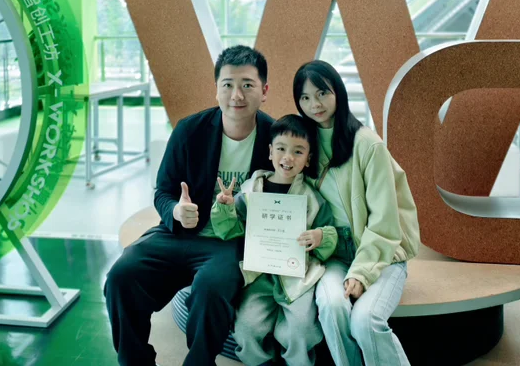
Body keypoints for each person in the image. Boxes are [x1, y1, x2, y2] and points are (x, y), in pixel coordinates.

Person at [104, 45, 276, 366]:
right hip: (179, 235)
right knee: (121, 276)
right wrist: (175, 211)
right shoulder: (189, 131)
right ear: (216, 89)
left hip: (230, 241)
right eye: (227, 84)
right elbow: (163, 191)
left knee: (211, 289)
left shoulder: (275, 138)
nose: (236, 95)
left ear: (264, 91)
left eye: (247, 85)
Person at [293, 60, 421, 366]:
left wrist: (361, 274)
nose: (315, 104)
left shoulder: (367, 145)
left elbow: (385, 221)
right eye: (305, 97)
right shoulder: (304, 147)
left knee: (365, 322)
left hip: (382, 254)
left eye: (322, 93)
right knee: (332, 307)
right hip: (334, 255)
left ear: (337, 92)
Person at [211, 114, 338, 366]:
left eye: (298, 151)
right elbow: (231, 231)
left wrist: (320, 237)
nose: (288, 157)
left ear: (308, 158)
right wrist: (225, 207)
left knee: (301, 329)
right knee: (246, 328)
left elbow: (327, 236)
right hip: (258, 276)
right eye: (281, 149)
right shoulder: (250, 191)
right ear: (270, 152)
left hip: (298, 277)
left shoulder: (313, 198)